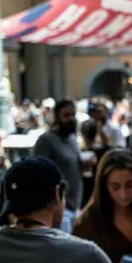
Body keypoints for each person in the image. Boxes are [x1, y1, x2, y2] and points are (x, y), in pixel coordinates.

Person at [73, 150, 132, 263]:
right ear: (105, 187)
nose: (123, 194)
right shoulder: (87, 223)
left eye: (129, 185)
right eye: (115, 187)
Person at [33, 99, 85, 232]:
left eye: (73, 114)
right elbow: (37, 173)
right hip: (57, 209)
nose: (71, 119)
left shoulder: (72, 139)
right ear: (57, 118)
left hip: (75, 206)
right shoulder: (46, 141)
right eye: (66, 115)